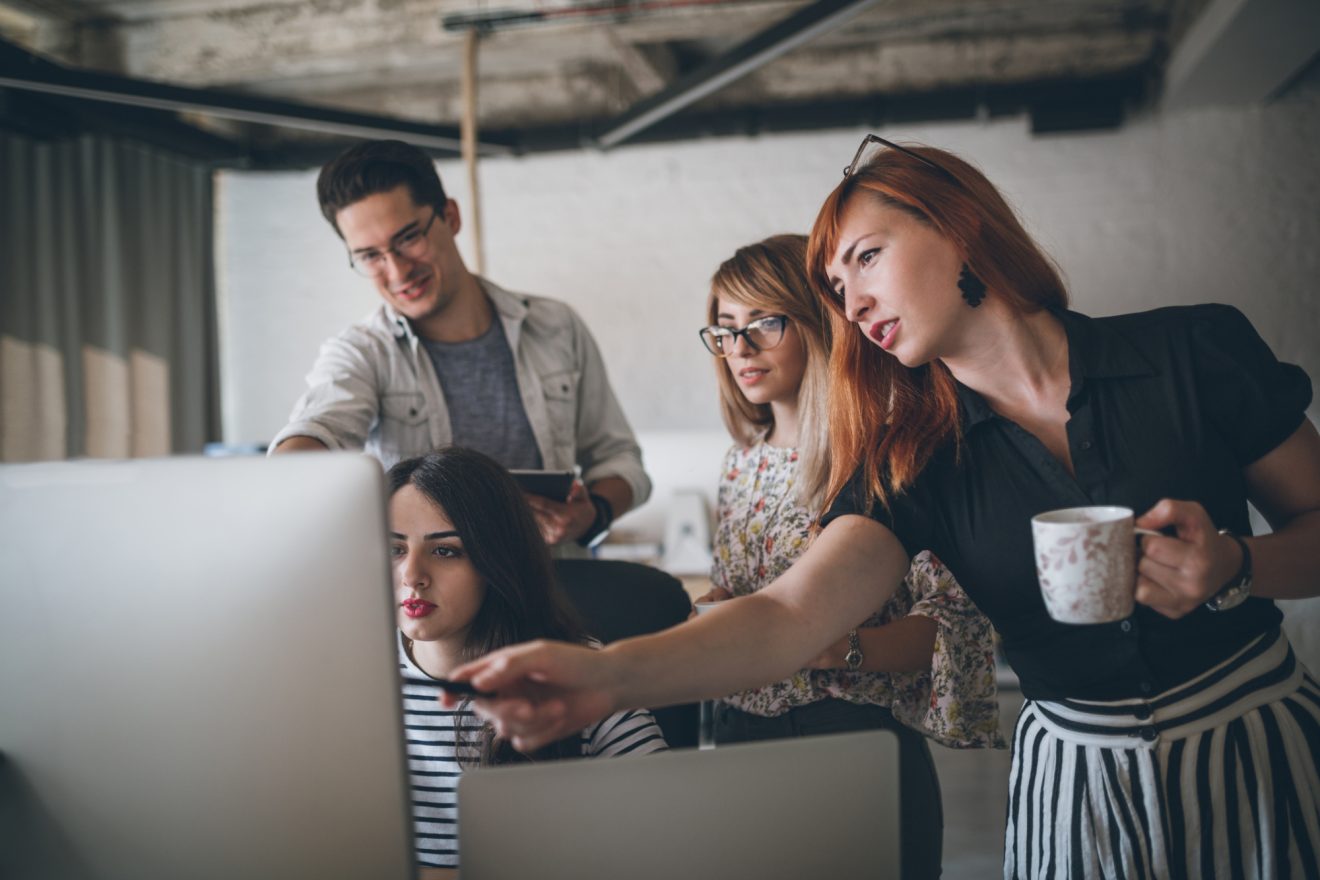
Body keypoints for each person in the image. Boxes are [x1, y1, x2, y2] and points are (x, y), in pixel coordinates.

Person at [445, 138, 1320, 878]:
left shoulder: (1193, 350)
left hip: (1262, 741)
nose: (854, 305)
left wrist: (1237, 565)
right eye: (834, 285)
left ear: (959, 227)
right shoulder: (911, 463)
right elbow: (788, 613)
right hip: (1077, 782)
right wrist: (609, 677)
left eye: (866, 257)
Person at [695, 233, 1003, 875]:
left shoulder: (888, 457)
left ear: (818, 320)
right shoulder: (738, 463)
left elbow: (958, 624)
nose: (739, 349)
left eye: (763, 322)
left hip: (846, 732)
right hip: (738, 737)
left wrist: (839, 646)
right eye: (724, 330)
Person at [272, 140, 649, 553]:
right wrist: (289, 477)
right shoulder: (362, 352)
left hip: (554, 591)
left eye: (408, 238)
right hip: (424, 608)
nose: (396, 270)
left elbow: (619, 458)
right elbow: (319, 426)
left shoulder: (556, 327)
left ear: (450, 216)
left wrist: (593, 512)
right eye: (370, 256)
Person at [387, 447, 667, 871]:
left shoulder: (575, 669)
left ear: (497, 563)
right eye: (395, 550)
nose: (412, 575)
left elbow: (669, 824)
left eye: (446, 551)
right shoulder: (354, 677)